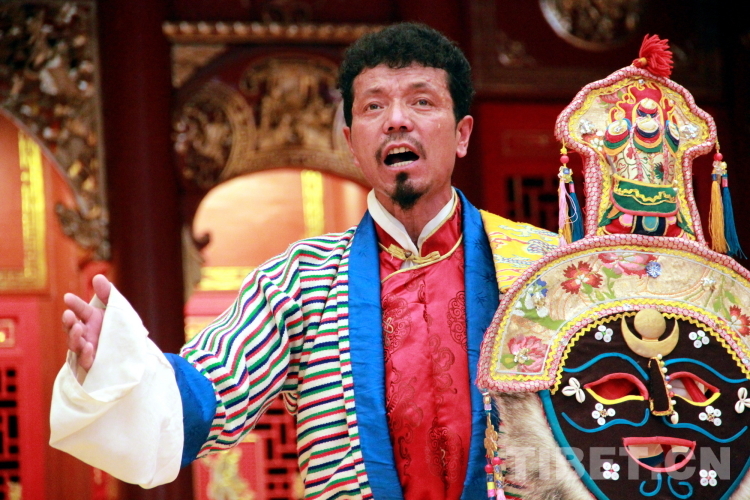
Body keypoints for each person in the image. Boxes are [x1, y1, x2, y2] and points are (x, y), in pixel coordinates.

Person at [51, 23, 559, 500]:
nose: (396, 120)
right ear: (351, 143)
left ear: (463, 133)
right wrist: (116, 364)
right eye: (374, 106)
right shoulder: (300, 280)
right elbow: (209, 392)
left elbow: (593, 425)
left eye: (421, 101)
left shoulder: (540, 268)